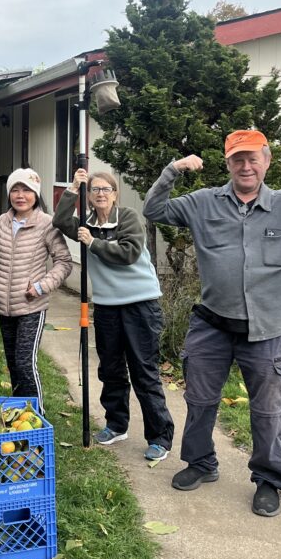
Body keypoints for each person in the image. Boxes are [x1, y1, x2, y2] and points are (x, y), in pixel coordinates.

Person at [143, 130, 281, 517]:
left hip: (266, 329)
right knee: (199, 400)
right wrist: (174, 170)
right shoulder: (203, 203)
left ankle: (268, 478)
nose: (245, 166)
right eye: (237, 159)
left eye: (253, 158)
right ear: (228, 163)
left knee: (268, 410)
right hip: (212, 323)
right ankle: (201, 462)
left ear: (267, 161)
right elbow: (154, 210)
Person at [54, 168, 174, 461]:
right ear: (90, 197)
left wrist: (93, 242)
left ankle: (160, 437)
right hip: (107, 306)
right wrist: (73, 188)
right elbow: (59, 221)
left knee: (143, 371)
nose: (100, 194)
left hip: (140, 304)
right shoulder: (87, 224)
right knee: (111, 369)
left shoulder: (129, 218)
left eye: (105, 189)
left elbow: (129, 252)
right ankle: (116, 424)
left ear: (114, 193)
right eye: (94, 190)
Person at [0, 168, 72, 411]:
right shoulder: (2, 222)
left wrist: (41, 286)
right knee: (13, 364)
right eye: (15, 189)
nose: (20, 195)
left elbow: (64, 262)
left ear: (35, 194)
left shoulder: (46, 224)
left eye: (26, 190)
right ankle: (19, 413)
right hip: (4, 306)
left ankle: (37, 415)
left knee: (25, 363)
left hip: (31, 306)